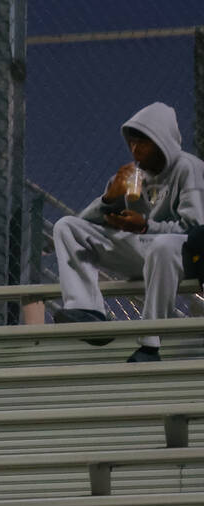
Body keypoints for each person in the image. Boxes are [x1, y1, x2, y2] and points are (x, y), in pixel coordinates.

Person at [52, 102, 204, 363]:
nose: (135, 150)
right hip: (139, 250)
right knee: (66, 226)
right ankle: (87, 310)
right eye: (132, 143)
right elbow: (85, 222)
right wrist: (109, 198)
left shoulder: (187, 168)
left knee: (163, 245)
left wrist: (145, 226)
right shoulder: (133, 175)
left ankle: (150, 344)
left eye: (143, 143)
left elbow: (195, 229)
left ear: (162, 142)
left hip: (180, 255)